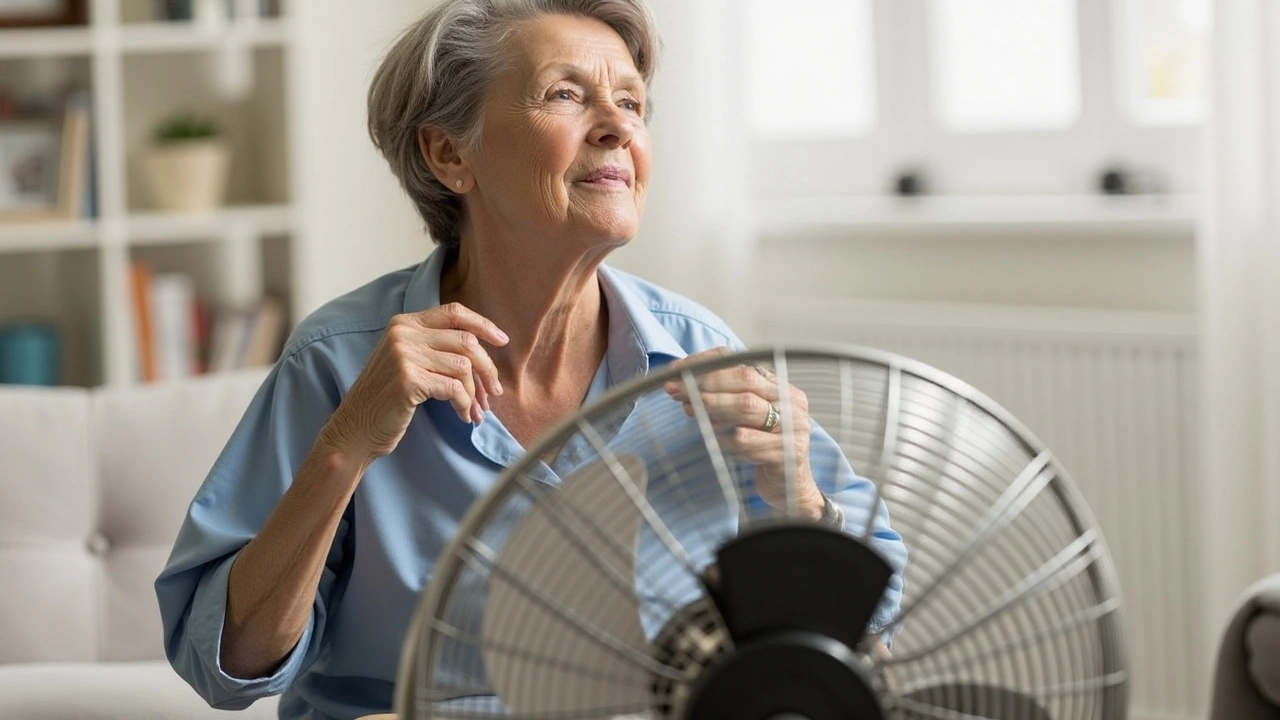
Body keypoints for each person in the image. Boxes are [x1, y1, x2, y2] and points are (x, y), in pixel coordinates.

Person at [155, 1, 907, 718]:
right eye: (567, 95)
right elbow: (224, 664)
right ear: (450, 152)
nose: (618, 127)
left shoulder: (698, 354)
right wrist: (345, 447)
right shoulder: (340, 361)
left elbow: (875, 617)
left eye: (633, 103)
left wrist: (802, 497)